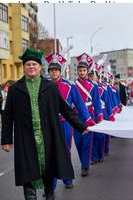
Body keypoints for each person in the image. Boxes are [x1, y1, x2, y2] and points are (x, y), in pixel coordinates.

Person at [1, 48, 89, 200]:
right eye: (28, 64)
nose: (31, 67)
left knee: (49, 171)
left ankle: (49, 195)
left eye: (34, 64)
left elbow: (65, 109)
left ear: (40, 67)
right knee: (28, 172)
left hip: (47, 136)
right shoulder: (15, 89)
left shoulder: (50, 87)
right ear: (24, 67)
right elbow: (8, 116)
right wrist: (6, 140)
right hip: (26, 138)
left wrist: (81, 126)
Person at [46, 52, 95, 188]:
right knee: (50, 153)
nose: (54, 72)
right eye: (52, 70)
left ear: (60, 72)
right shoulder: (43, 86)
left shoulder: (70, 86)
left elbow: (79, 104)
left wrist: (88, 120)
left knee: (65, 151)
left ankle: (67, 179)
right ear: (49, 72)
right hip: (49, 125)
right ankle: (51, 185)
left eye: (56, 70)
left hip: (65, 124)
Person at [74, 53, 103, 176]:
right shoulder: (73, 85)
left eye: (84, 70)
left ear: (87, 71)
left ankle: (85, 166)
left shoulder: (93, 86)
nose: (82, 72)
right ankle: (83, 161)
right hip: (75, 117)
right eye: (80, 70)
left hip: (89, 116)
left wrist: (99, 116)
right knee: (78, 142)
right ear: (77, 71)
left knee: (86, 142)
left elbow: (97, 102)